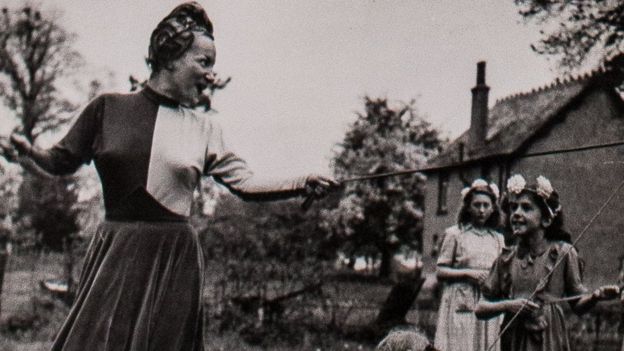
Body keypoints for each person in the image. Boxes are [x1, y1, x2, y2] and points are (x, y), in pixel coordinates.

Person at [7, 2, 338, 350]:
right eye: (204, 62)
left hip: (174, 262)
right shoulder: (107, 108)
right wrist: (28, 153)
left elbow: (246, 183)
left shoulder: (205, 128)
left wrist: (302, 181)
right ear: (170, 57)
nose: (211, 74)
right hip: (116, 254)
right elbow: (58, 161)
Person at [474, 174, 619, 351]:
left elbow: (578, 306)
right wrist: (508, 305)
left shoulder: (563, 253)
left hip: (550, 340)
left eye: (526, 208)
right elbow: (480, 309)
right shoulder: (506, 257)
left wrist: (596, 296)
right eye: (513, 208)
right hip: (514, 339)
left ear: (546, 219)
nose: (517, 213)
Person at [434, 179, 505, 351]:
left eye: (486, 205)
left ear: (493, 208)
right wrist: (467, 274)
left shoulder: (497, 238)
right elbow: (440, 271)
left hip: (488, 301)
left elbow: (502, 272)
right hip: (460, 300)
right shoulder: (455, 234)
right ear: (468, 207)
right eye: (476, 205)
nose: (481, 210)